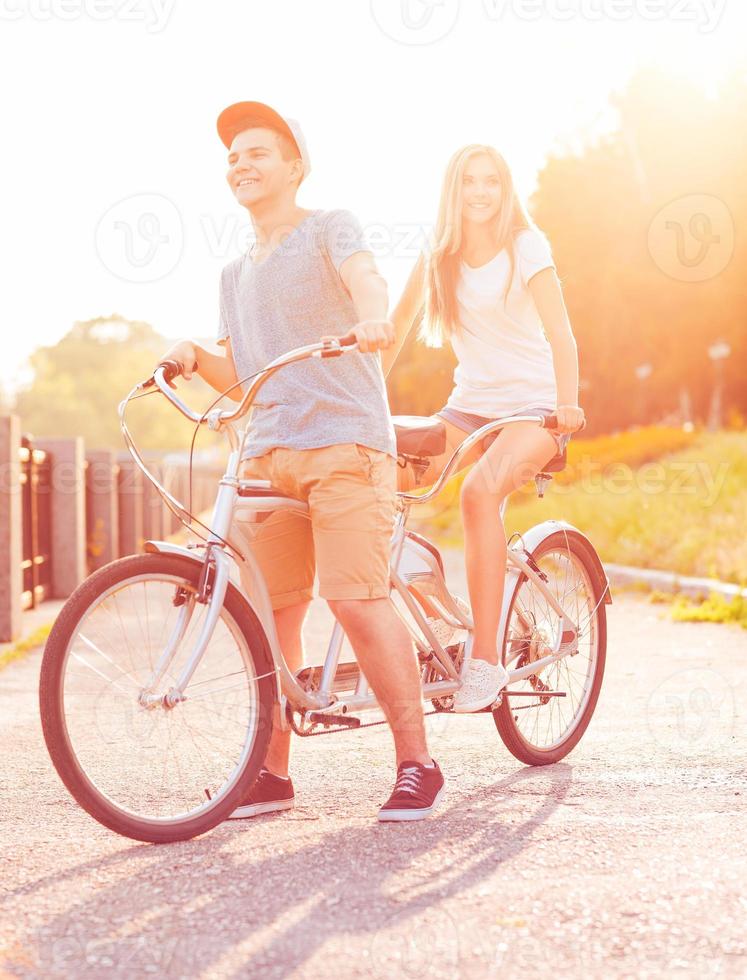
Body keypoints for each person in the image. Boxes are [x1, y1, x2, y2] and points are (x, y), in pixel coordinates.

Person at [159, 101, 443, 822]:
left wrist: (371, 316)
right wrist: (196, 353)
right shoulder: (232, 274)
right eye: (232, 158)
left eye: (256, 153)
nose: (240, 166)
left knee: (353, 597)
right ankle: (273, 773)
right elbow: (241, 371)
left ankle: (418, 763)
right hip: (266, 454)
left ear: (293, 166)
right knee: (273, 614)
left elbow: (365, 278)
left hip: (344, 441)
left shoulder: (328, 226)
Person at [384, 143, 586, 713]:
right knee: (381, 479)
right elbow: (397, 330)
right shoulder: (438, 255)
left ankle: (486, 660)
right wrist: (361, 399)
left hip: (534, 408)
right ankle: (451, 616)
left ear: (505, 188)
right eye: (469, 181)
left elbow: (562, 334)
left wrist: (567, 405)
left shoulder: (526, 245)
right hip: (469, 406)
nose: (480, 192)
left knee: (478, 494)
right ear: (454, 189)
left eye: (491, 181)